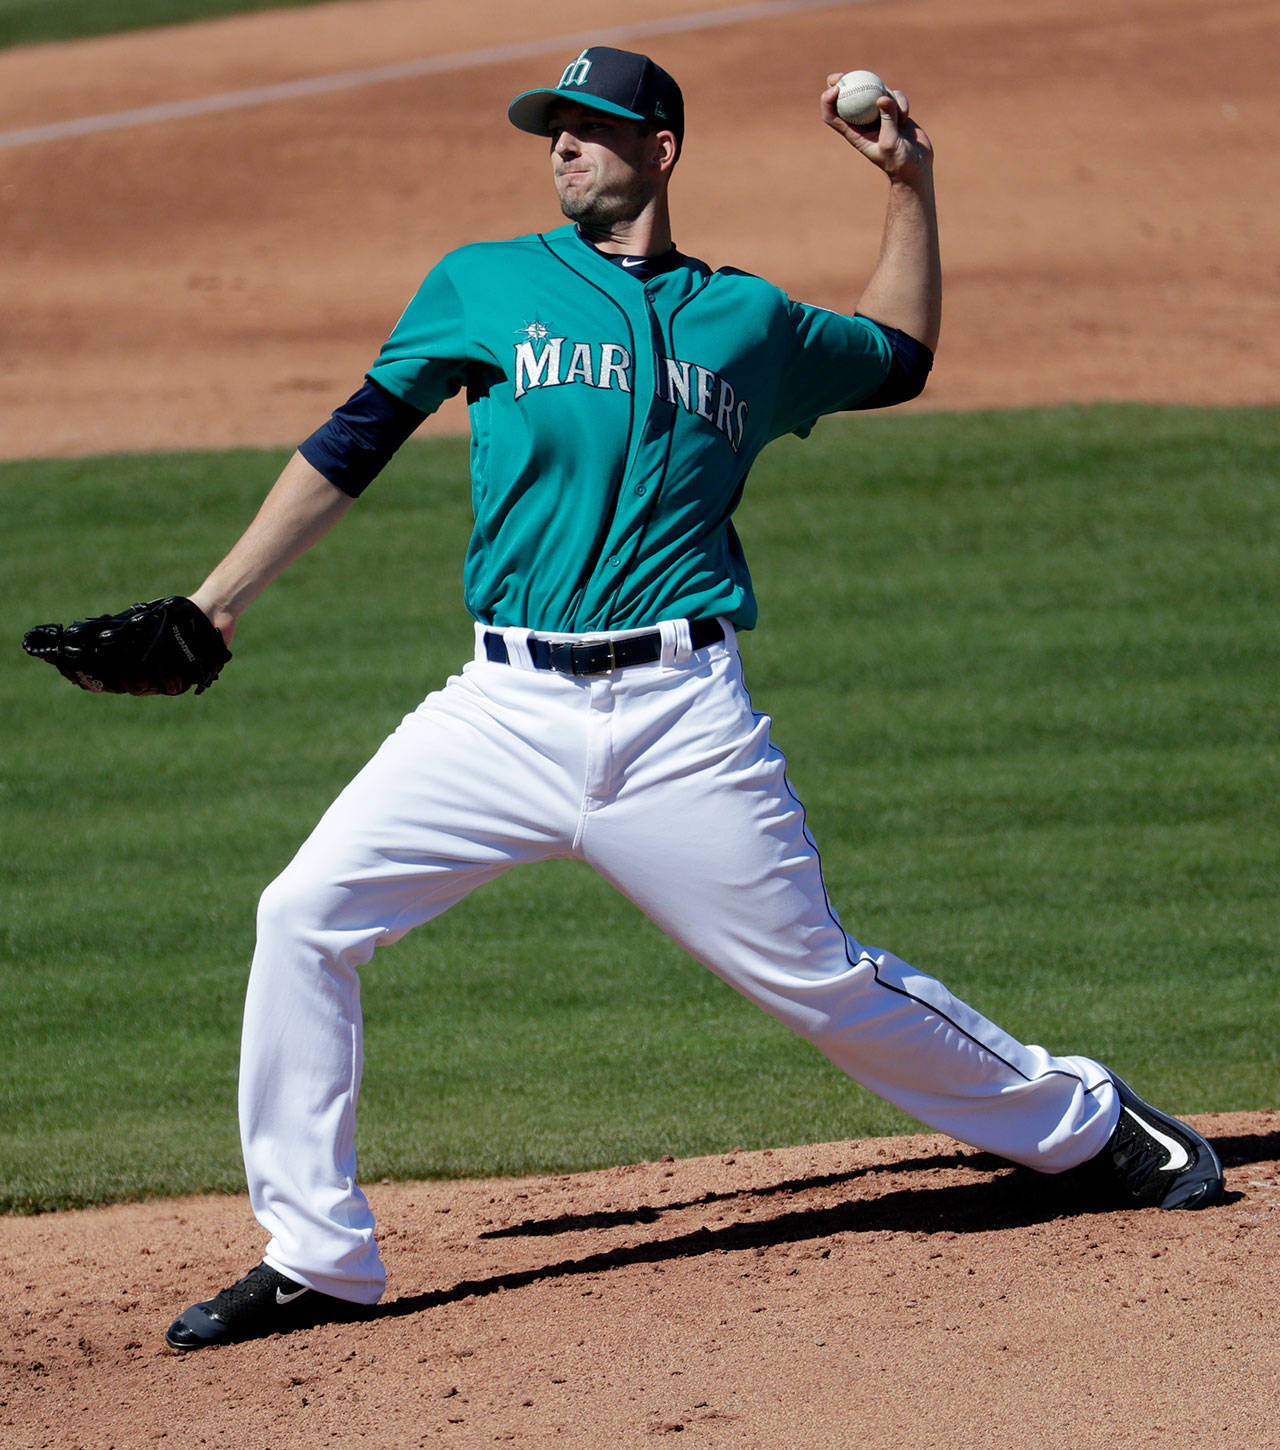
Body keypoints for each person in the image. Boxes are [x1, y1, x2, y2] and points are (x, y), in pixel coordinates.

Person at [163, 46, 1222, 1351]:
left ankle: (1092, 1123)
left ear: (660, 146)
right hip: (498, 712)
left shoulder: (750, 321)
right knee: (303, 915)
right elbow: (352, 442)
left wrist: (911, 188)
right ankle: (317, 1253)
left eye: (589, 128)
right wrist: (217, 601)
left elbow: (897, 358)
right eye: (551, 129)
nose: (561, 147)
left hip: (680, 719)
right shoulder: (482, 285)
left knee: (821, 983)